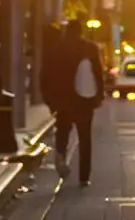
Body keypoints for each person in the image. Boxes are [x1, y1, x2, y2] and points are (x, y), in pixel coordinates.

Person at [42, 20, 105, 187]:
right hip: (84, 100)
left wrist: (49, 101)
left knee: (62, 132)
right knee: (85, 138)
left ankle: (60, 156)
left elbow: (45, 75)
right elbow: (98, 73)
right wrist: (99, 96)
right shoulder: (90, 48)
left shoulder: (55, 49)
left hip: (62, 100)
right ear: (81, 31)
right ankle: (84, 177)